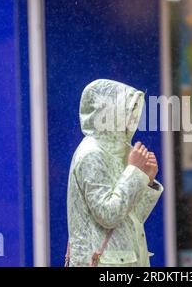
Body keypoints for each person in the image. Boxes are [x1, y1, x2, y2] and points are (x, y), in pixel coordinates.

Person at [66, 79, 163, 267]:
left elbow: (129, 217)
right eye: (128, 110)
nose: (133, 118)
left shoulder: (117, 151)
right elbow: (108, 215)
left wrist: (146, 180)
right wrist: (134, 172)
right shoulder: (92, 153)